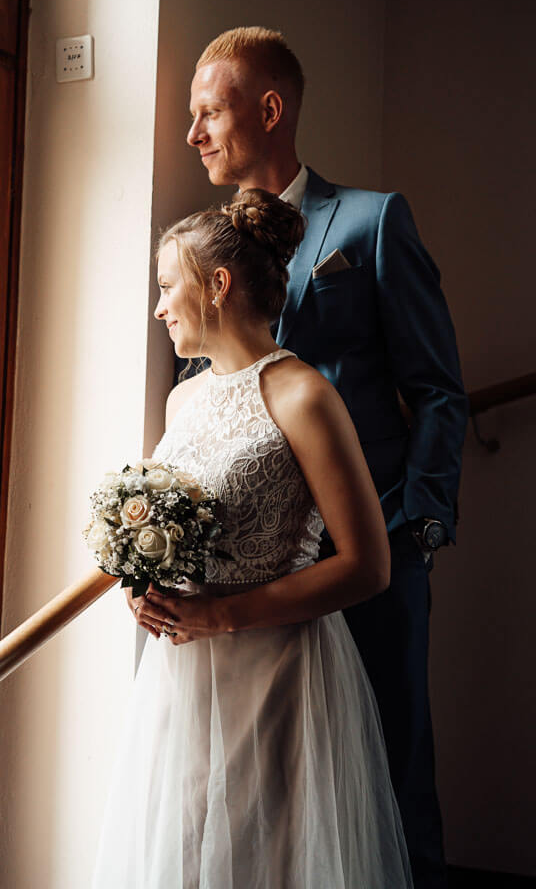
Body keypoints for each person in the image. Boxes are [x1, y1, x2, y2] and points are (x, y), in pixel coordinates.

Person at [183, 26, 469, 889]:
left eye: (208, 113)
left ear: (269, 110)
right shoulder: (203, 249)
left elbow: (439, 390)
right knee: (263, 786)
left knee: (387, 765)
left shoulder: (372, 221)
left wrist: (417, 521)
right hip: (258, 565)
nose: (193, 135)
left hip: (370, 543)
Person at [92, 188, 413, 888]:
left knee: (264, 857)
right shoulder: (184, 398)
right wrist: (142, 589)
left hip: (275, 674)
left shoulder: (302, 395)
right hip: (180, 674)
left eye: (166, 286)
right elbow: (166, 526)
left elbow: (367, 566)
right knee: (181, 851)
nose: (159, 307)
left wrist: (223, 614)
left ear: (218, 285)